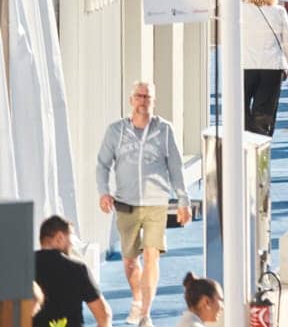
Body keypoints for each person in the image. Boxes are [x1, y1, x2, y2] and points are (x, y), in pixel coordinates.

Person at [95, 81, 190, 327]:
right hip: (126, 202)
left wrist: (183, 200)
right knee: (129, 260)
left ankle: (146, 313)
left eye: (147, 97)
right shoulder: (116, 131)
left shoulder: (164, 130)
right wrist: (104, 192)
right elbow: (102, 164)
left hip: (156, 201)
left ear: (153, 101)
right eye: (139, 96)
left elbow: (176, 167)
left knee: (151, 255)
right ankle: (137, 299)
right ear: (131, 100)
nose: (142, 101)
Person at [242, 0, 288, 136]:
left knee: (241, 106)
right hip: (272, 66)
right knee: (265, 109)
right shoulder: (278, 12)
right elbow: (286, 43)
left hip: (247, 64)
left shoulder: (242, 10)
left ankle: (246, 135)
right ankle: (261, 138)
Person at [34, 215, 110, 327]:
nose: (72, 244)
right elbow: (104, 315)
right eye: (70, 237)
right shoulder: (78, 269)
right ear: (59, 237)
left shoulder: (21, 268)